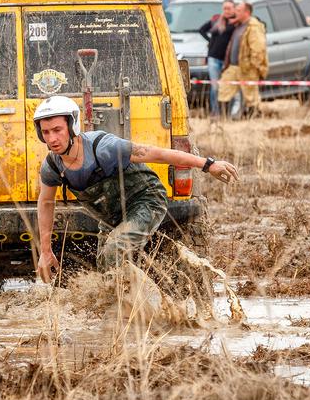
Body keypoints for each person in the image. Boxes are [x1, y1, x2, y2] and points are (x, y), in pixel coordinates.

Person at [34, 96, 239, 283]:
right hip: (113, 218)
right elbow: (45, 203)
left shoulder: (104, 148)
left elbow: (157, 154)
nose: (52, 139)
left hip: (147, 200)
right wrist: (45, 250)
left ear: (72, 127)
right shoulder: (53, 167)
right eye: (46, 132)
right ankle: (133, 309)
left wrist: (208, 164)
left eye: (57, 130)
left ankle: (147, 300)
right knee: (106, 269)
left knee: (114, 251)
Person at [217, 1, 269, 119]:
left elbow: (258, 49)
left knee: (251, 96)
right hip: (233, 66)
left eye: (239, 10)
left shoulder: (253, 27)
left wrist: (255, 67)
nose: (235, 12)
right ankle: (223, 118)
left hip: (247, 68)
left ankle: (253, 118)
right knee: (224, 90)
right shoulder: (239, 25)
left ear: (247, 12)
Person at [199, 0, 236, 118]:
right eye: (225, 8)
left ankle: (228, 113)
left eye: (229, 8)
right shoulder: (216, 20)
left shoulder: (236, 22)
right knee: (215, 87)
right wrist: (210, 41)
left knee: (228, 86)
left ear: (234, 9)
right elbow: (201, 30)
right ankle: (215, 112)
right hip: (214, 58)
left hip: (227, 61)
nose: (227, 11)